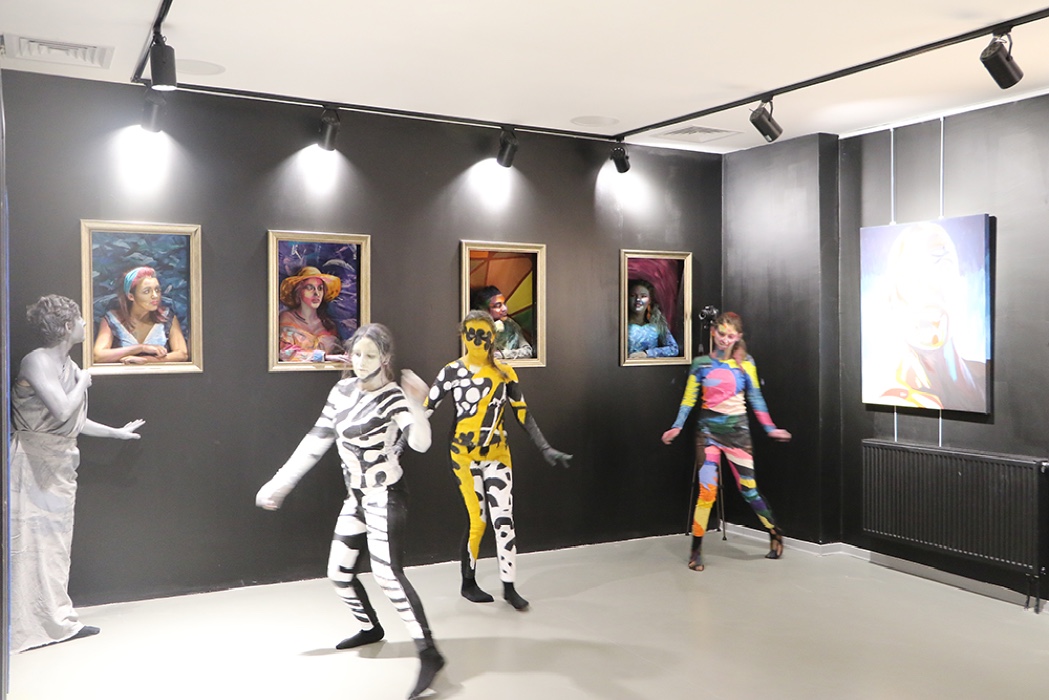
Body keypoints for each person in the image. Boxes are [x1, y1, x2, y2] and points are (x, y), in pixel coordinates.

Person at [255, 324, 444, 699]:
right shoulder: (340, 392)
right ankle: (371, 628)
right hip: (356, 497)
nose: (360, 362)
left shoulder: (392, 397)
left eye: (370, 355)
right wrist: (280, 483)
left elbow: (421, 443)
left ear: (385, 358)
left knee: (388, 575)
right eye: (357, 354)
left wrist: (416, 404)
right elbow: (315, 441)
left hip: (385, 494)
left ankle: (430, 653)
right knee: (339, 573)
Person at [10, 295, 144, 652]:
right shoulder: (37, 360)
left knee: (54, 548)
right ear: (68, 326)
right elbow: (60, 408)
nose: (86, 324)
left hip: (58, 463)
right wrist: (84, 382)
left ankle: (56, 620)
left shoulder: (66, 364)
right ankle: (26, 625)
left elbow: (73, 421)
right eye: (82, 319)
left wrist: (116, 433)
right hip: (32, 464)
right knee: (28, 544)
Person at [425, 310, 571, 611]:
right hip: (463, 456)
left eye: (483, 335)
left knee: (504, 521)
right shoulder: (451, 372)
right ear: (462, 335)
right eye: (471, 334)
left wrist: (545, 447)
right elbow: (426, 409)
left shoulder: (505, 373)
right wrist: (400, 443)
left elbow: (523, 413)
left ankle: (509, 586)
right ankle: (468, 582)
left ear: (493, 337)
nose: (477, 340)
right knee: (477, 521)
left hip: (497, 455)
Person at [661, 311, 791, 571]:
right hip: (707, 433)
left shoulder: (746, 363)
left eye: (730, 336)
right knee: (707, 492)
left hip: (737, 433)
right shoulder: (701, 364)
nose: (724, 339)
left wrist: (770, 428)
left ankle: (774, 531)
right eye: (721, 333)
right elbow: (689, 398)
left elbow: (755, 398)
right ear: (713, 332)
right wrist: (677, 426)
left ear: (737, 337)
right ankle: (696, 550)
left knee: (749, 490)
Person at [92, 266, 189, 364]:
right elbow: (98, 356)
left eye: (157, 290)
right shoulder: (112, 319)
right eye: (147, 291)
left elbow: (182, 354)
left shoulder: (167, 317)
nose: (155, 296)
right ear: (131, 296)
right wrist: (141, 348)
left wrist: (147, 360)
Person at [277, 265, 344, 362]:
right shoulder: (287, 318)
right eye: (309, 288)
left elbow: (338, 354)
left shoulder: (328, 324)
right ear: (298, 292)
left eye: (320, 288)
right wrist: (323, 357)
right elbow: (286, 353)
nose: (316, 293)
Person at [470, 285, 533, 360]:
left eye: (504, 304)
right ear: (484, 310)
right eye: (497, 306)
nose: (504, 309)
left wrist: (503, 354)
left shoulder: (511, 325)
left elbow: (528, 351)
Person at [627, 279, 679, 358]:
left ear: (650, 300)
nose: (638, 300)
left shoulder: (657, 325)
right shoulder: (620, 325)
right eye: (633, 295)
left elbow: (673, 349)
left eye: (643, 296)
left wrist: (647, 354)